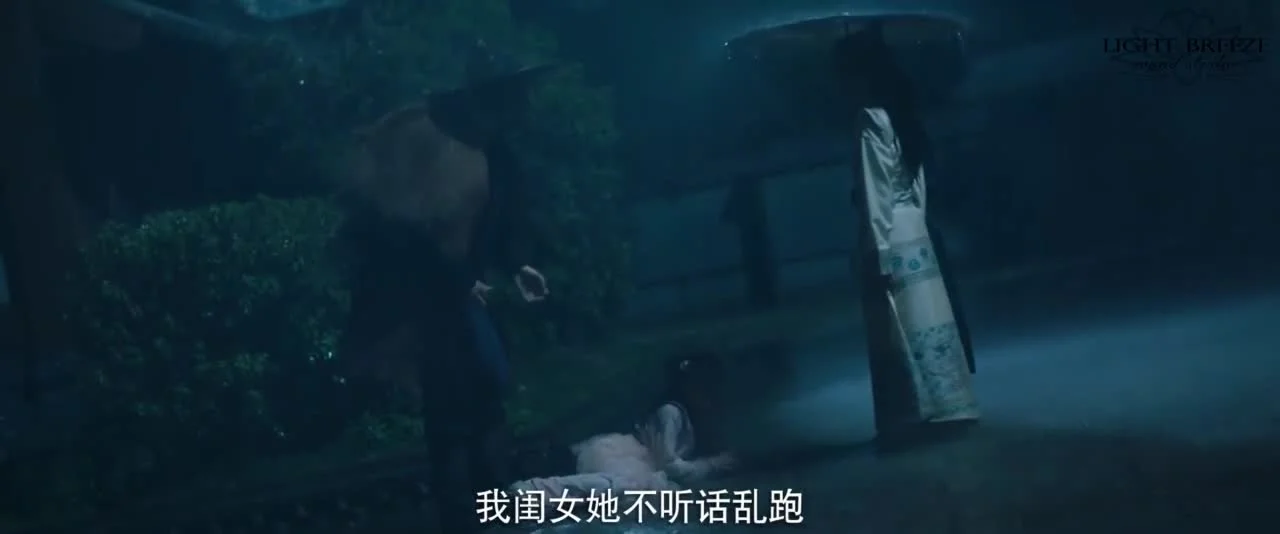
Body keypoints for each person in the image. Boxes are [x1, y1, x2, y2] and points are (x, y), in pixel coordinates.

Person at [336, 42, 556, 534]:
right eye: (516, 94)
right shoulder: (427, 142)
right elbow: (400, 228)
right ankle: (466, 517)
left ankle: (495, 508)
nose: (525, 105)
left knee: (484, 398)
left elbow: (505, 219)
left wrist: (518, 265)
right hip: (420, 303)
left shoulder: (498, 153)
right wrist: (454, 281)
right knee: (454, 414)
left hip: (460, 297)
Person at [835, 21, 979, 447]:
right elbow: (915, 186)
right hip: (915, 227)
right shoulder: (901, 115)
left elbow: (876, 191)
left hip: (890, 234)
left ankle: (911, 413)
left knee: (896, 327)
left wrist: (877, 250)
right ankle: (948, 402)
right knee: (927, 318)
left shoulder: (869, 120)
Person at [507, 351, 738, 507]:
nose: (709, 394)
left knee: (631, 491)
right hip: (619, 453)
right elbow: (671, 465)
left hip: (637, 462)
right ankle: (533, 491)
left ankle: (546, 497)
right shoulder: (671, 412)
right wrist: (717, 463)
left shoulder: (695, 418)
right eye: (702, 386)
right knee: (626, 486)